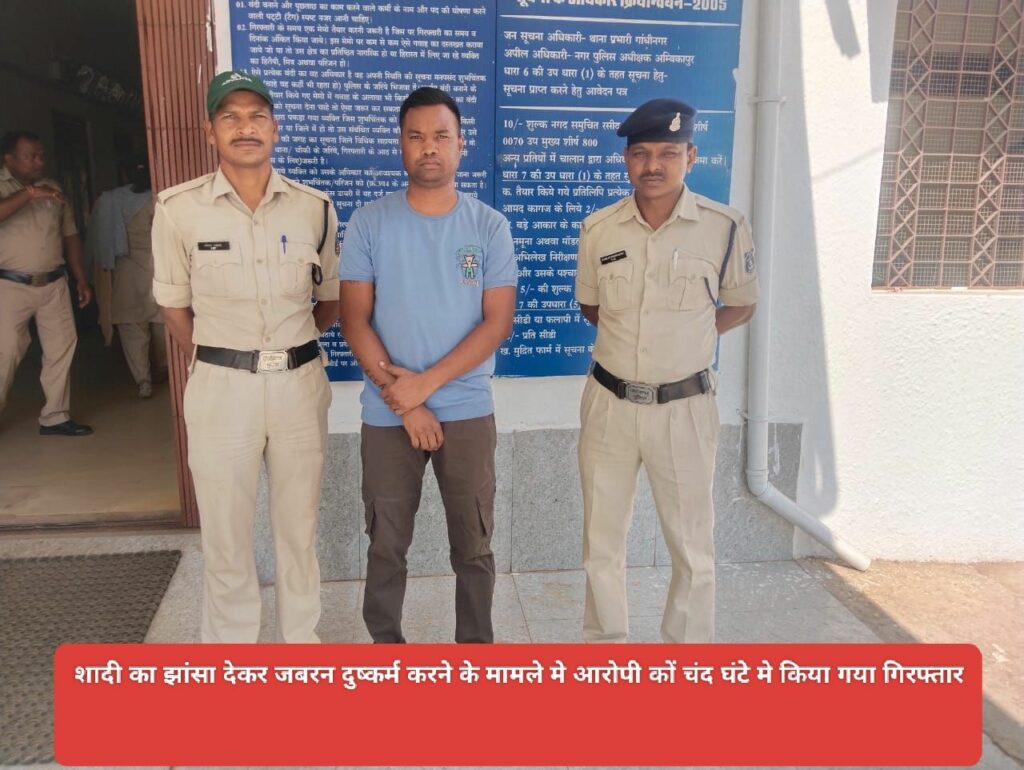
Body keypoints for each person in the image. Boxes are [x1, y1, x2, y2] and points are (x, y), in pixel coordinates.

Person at [151, 70, 339, 642]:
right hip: (221, 388)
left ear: (275, 128)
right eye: (229, 117)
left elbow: (330, 301)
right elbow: (175, 309)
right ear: (210, 132)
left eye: (257, 116)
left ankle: (300, 650)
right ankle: (232, 660)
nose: (245, 127)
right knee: (226, 535)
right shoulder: (178, 209)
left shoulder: (314, 208)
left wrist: (289, 350)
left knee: (298, 530)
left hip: (298, 387)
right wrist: (226, 357)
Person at [574, 98, 759, 643]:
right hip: (609, 405)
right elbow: (592, 307)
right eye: (641, 154)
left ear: (691, 156)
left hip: (684, 408)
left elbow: (741, 304)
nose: (653, 165)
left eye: (668, 153)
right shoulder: (599, 229)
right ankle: (606, 655)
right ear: (626, 160)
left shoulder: (724, 227)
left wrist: (688, 341)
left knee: (691, 547)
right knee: (601, 544)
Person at [340, 86, 516, 643]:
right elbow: (354, 321)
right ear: (401, 144)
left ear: (461, 144)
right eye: (416, 136)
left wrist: (426, 387)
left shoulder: (489, 226)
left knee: (474, 546)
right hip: (388, 414)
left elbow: (496, 324)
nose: (429, 147)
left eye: (441, 136)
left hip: (466, 409)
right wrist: (405, 402)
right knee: (386, 545)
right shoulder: (369, 222)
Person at [0, 130, 93, 435]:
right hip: (9, 286)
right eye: (31, 156)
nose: (39, 162)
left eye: (41, 155)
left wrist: (81, 278)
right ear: (9, 159)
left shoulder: (54, 188)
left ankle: (55, 416)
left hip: (53, 283)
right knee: (6, 352)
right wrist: (28, 194)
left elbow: (70, 235)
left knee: (61, 348)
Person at [86, 159, 166, 398]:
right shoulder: (160, 200)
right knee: (163, 324)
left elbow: (96, 242)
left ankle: (143, 381)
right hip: (158, 268)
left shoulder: (109, 201)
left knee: (132, 328)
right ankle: (164, 370)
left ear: (123, 174)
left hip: (125, 272)